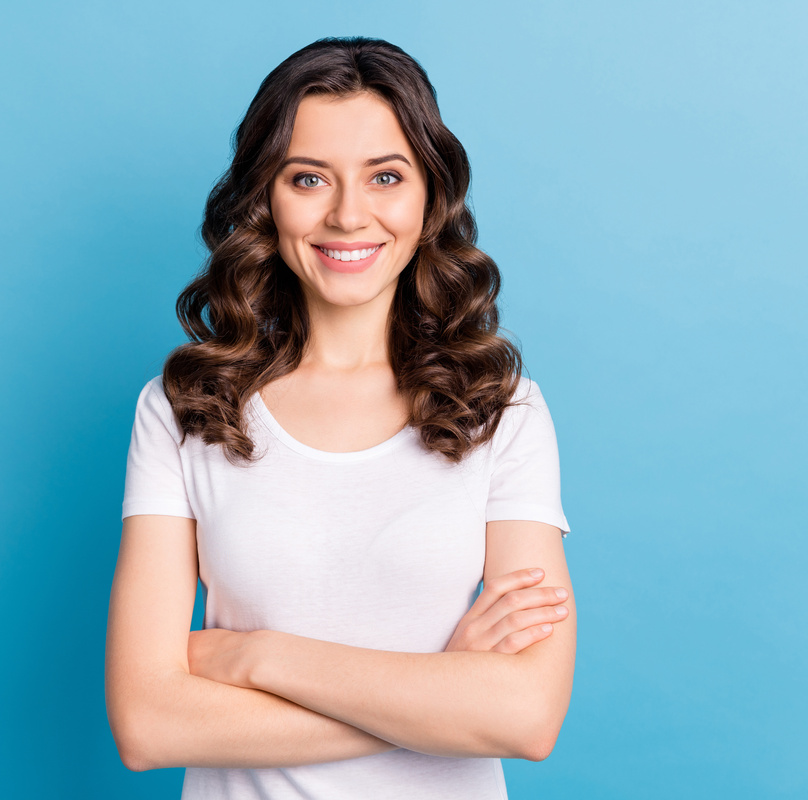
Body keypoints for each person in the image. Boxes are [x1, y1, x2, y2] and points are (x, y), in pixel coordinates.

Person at [104, 36, 576, 799]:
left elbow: (525, 716)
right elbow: (147, 722)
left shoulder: (502, 410)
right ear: (267, 197)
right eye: (309, 178)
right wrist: (441, 693)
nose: (348, 215)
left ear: (429, 198)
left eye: (385, 177)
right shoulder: (184, 408)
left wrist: (258, 657)